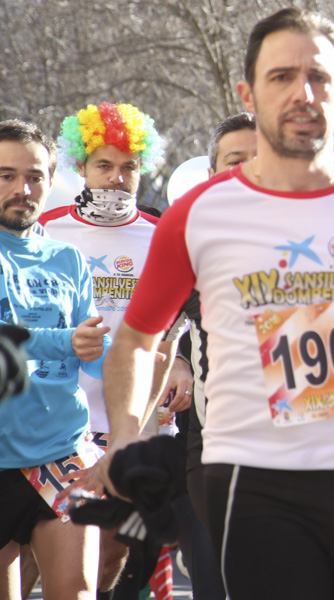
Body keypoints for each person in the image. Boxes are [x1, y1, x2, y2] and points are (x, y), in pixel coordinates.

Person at [68, 8, 334, 600]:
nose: (303, 93)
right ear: (249, 92)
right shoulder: (198, 214)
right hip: (253, 477)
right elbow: (138, 338)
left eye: (319, 77)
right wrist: (124, 432)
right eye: (282, 77)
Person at [41, 101, 186, 600]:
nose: (117, 178)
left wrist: (145, 419)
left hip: (130, 418)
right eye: (104, 165)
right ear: (80, 167)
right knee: (60, 556)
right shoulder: (45, 229)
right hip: (56, 422)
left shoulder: (162, 234)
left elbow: (167, 340)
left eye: (129, 167)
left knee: (111, 558)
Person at [0, 119, 108, 600]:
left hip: (61, 451)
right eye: (6, 175)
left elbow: (95, 357)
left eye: (35, 176)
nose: (23, 189)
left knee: (78, 591)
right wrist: (65, 341)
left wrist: (148, 354)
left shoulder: (68, 258)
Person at [175, 112, 258, 600]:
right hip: (217, 446)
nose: (248, 170)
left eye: (258, 158)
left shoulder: (312, 237)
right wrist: (178, 357)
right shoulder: (187, 243)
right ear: (212, 175)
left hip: (303, 446)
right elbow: (143, 333)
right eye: (234, 161)